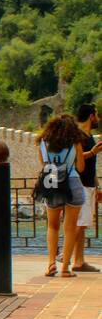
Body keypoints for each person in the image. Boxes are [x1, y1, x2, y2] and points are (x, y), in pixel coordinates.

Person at [37, 114, 88, 277]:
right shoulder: (75, 142)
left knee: (52, 225)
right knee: (70, 227)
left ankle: (51, 264)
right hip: (72, 180)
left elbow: (43, 164)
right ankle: (65, 268)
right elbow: (80, 167)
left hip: (50, 181)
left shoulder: (43, 142)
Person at [72, 103, 102, 272]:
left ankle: (79, 261)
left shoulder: (88, 135)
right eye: (96, 115)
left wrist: (97, 186)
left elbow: (91, 164)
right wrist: (92, 152)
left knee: (83, 223)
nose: (98, 118)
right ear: (91, 116)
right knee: (81, 223)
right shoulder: (78, 136)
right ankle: (64, 253)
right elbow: (74, 158)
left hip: (88, 183)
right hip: (79, 183)